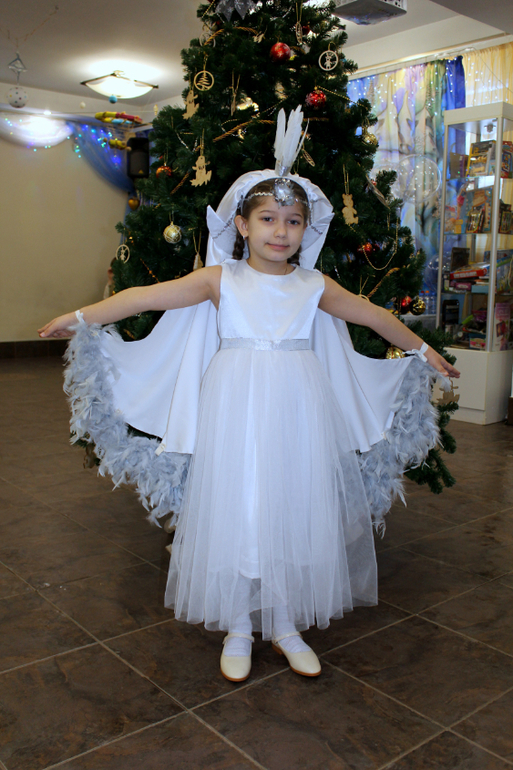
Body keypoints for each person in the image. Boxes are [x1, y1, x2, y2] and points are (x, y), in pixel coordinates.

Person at [39, 109, 459, 683]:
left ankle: (285, 624)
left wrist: (424, 350)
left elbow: (375, 315)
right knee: (241, 505)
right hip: (235, 405)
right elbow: (145, 296)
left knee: (292, 501)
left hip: (299, 405)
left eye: (292, 221)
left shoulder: (313, 284)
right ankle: (238, 624)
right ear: (241, 224)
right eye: (267, 219)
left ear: (305, 230)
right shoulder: (221, 280)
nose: (280, 232)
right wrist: (81, 316)